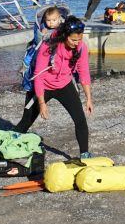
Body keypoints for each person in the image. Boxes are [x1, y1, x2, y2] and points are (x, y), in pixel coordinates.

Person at [15, 16, 94, 159]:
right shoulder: (48, 46)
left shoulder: (80, 47)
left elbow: (84, 72)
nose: (77, 43)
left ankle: (85, 154)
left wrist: (88, 98)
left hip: (64, 85)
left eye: (79, 39)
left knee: (80, 120)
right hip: (42, 86)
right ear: (65, 36)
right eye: (73, 40)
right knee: (26, 121)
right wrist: (42, 103)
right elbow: (38, 76)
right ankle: (8, 142)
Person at [19, 5, 68, 93]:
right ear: (45, 20)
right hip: (43, 49)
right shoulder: (44, 28)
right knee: (28, 59)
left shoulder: (61, 28)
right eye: (48, 20)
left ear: (59, 19)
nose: (51, 23)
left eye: (54, 20)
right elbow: (38, 42)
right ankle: (26, 78)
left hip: (55, 50)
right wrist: (41, 34)